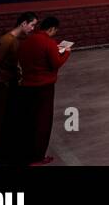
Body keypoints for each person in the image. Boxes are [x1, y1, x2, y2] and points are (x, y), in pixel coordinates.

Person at [0, 12, 36, 165]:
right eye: (32, 25)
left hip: (7, 85)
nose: (32, 28)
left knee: (3, 119)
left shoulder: (15, 41)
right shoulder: (7, 41)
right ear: (23, 23)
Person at [14, 16, 72, 165]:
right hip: (44, 87)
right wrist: (66, 52)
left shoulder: (27, 41)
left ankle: (23, 153)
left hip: (26, 85)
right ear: (51, 29)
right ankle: (37, 156)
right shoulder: (48, 42)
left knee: (29, 120)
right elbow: (56, 63)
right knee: (42, 122)